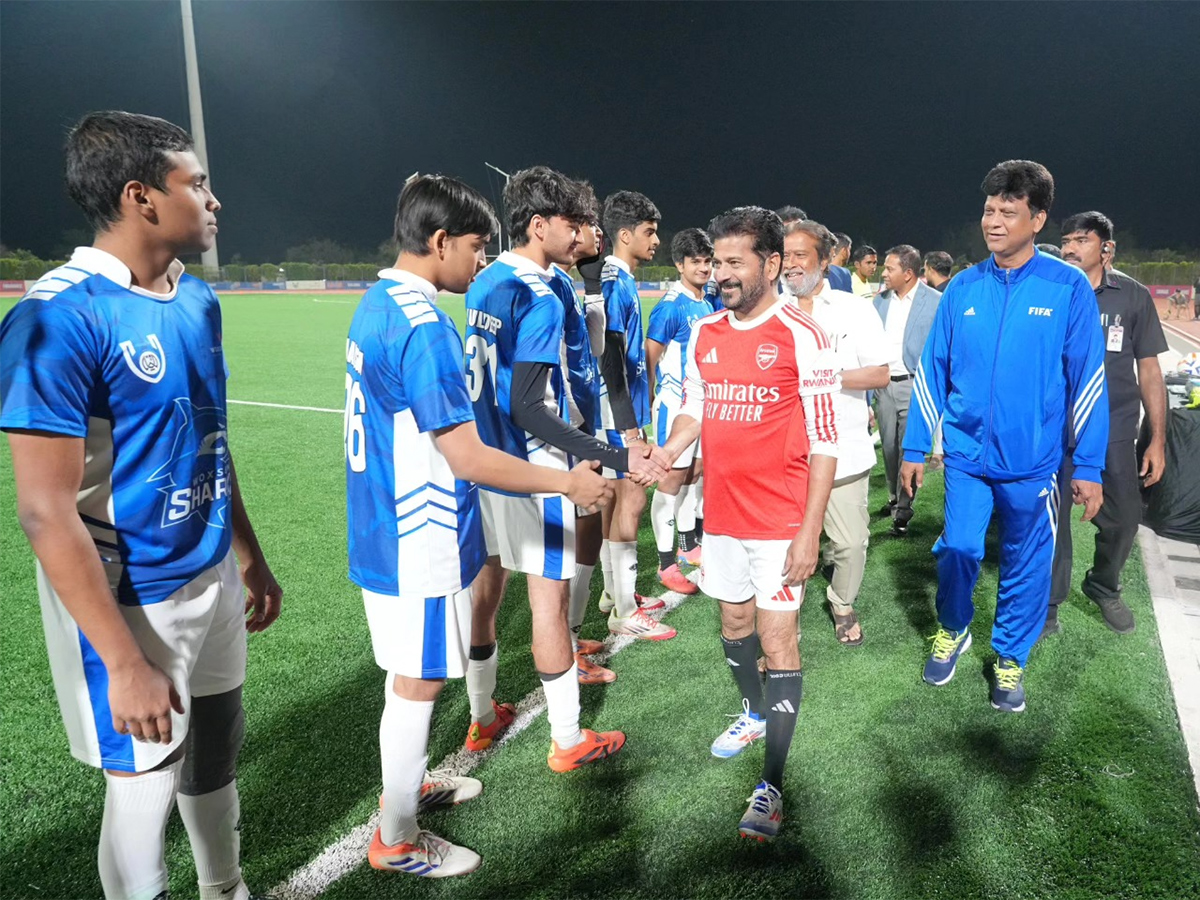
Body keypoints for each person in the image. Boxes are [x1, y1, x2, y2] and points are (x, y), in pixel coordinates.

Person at [0, 111, 281, 900]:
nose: (214, 200)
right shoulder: (57, 317)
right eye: (197, 184)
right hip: (131, 604)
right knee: (142, 786)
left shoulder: (195, 302)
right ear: (141, 197)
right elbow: (45, 511)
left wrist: (248, 554)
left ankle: (226, 890)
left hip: (213, 573)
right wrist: (124, 663)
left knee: (217, 748)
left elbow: (209, 440)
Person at [346, 174, 613, 876]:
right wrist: (570, 475)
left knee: (410, 673)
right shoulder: (425, 322)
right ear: (439, 242)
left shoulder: (377, 302)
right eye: (472, 245)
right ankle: (396, 838)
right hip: (420, 525)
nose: (479, 259)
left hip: (379, 519)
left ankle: (407, 789)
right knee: (417, 683)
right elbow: (463, 453)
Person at [462, 167, 664, 768]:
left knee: (488, 587)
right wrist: (610, 454)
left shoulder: (484, 281)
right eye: (573, 223)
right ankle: (569, 739)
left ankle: (480, 716)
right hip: (539, 464)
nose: (581, 234)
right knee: (547, 602)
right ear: (538, 224)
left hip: (487, 461)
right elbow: (530, 405)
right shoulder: (542, 295)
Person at [900, 160, 1108, 714]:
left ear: (1037, 219)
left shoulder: (1066, 288)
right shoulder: (964, 287)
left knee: (1026, 562)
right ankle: (954, 627)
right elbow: (932, 371)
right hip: (966, 457)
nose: (993, 221)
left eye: (1007, 212)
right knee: (960, 549)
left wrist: (1087, 466)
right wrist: (917, 446)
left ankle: (1010, 658)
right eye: (989, 210)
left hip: (1035, 463)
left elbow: (1088, 380)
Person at [662, 206, 838, 841]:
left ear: (770, 265)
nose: (721, 274)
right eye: (717, 261)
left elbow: (824, 441)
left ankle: (772, 786)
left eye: (735, 263)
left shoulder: (803, 334)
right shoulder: (705, 331)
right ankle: (753, 711)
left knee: (776, 641)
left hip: (781, 522)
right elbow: (695, 408)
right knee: (733, 625)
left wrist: (809, 530)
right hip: (724, 519)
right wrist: (668, 451)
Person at [1045, 211, 1166, 637]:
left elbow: (1149, 371)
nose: (1070, 248)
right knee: (1052, 523)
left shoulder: (1132, 297)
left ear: (1107, 248)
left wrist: (1156, 440)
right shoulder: (1052, 290)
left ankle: (1103, 585)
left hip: (1114, 428)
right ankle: (1049, 603)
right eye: (1066, 240)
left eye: (1081, 240)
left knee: (1123, 519)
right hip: (1057, 430)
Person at [781, 220, 890, 645]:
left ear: (824, 261)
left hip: (843, 447)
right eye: (785, 255)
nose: (790, 264)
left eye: (800, 255)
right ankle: (781, 625)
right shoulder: (771, 311)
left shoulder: (853, 308)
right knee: (780, 549)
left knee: (850, 544)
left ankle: (841, 602)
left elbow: (881, 373)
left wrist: (826, 376)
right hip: (785, 455)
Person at [596, 190, 678, 639]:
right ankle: (625, 610)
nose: (655, 240)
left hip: (615, 411)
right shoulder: (615, 280)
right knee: (631, 500)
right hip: (614, 414)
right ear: (624, 235)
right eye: (649, 232)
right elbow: (610, 356)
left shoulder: (617, 277)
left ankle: (616, 594)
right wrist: (630, 425)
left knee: (617, 503)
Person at [546, 197, 617, 684]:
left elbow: (591, 348)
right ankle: (564, 648)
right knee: (561, 547)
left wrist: (590, 286)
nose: (589, 236)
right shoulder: (542, 285)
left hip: (577, 426)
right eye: (582, 225)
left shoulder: (568, 283)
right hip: (559, 435)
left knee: (584, 530)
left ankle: (570, 636)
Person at [645, 228, 713, 595]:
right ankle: (666, 563)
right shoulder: (671, 305)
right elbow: (649, 356)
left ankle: (688, 545)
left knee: (694, 474)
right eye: (696, 262)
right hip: (675, 406)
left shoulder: (706, 300)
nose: (703, 268)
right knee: (671, 481)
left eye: (707, 261)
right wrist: (651, 399)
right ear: (679, 264)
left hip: (699, 405)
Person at [873, 244, 942, 535]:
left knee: (907, 448)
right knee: (888, 447)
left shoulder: (936, 301)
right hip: (882, 384)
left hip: (915, 384)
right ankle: (893, 494)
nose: (884, 273)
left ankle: (903, 509)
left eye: (890, 269)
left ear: (909, 273)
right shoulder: (878, 301)